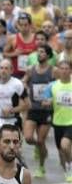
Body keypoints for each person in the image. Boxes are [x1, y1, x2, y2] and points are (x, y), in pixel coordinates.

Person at [22, 45, 54, 177]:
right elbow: (23, 82)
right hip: (33, 108)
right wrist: (24, 87)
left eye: (42, 52)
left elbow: (59, 86)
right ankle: (39, 147)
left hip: (46, 110)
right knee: (28, 137)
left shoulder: (53, 71)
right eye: (38, 52)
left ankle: (41, 167)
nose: (39, 54)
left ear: (47, 55)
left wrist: (51, 99)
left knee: (41, 140)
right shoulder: (31, 70)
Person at [47, 60, 72, 181]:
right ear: (58, 71)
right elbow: (45, 100)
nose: (64, 71)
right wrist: (47, 102)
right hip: (57, 122)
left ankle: (70, 167)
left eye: (67, 68)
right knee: (61, 150)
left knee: (65, 145)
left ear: (70, 70)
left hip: (71, 122)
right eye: (62, 68)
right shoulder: (53, 85)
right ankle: (66, 168)